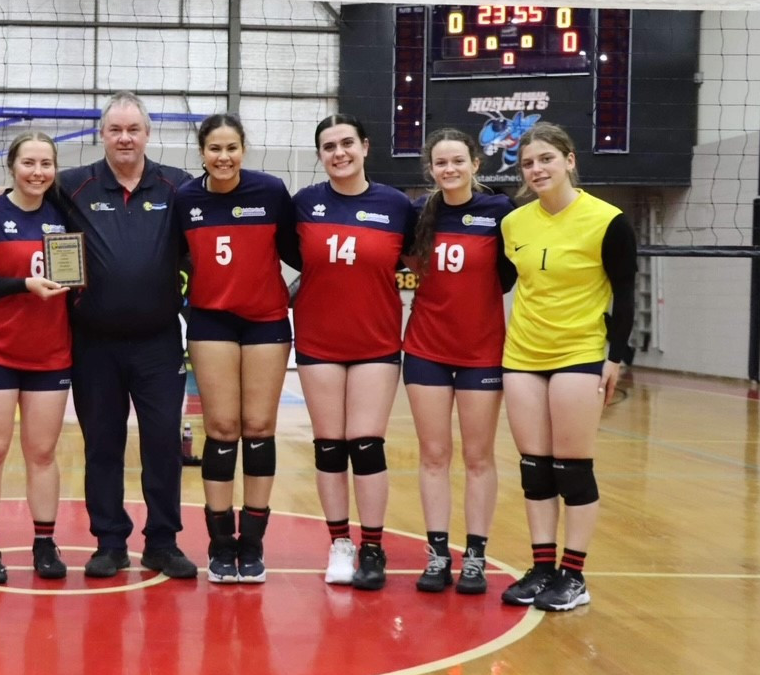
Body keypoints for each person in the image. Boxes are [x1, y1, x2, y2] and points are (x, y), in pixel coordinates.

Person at [56, 91, 198, 580]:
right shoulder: (71, 185)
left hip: (159, 342)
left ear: (147, 133)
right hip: (93, 343)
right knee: (103, 444)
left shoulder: (178, 186)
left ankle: (162, 541)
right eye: (115, 129)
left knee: (162, 443)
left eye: (133, 129)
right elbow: (20, 194)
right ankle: (110, 541)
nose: (124, 138)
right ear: (102, 134)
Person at [498, 122, 636, 612]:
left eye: (546, 160)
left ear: (569, 160)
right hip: (522, 355)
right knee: (535, 469)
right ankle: (541, 568)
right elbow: (499, 281)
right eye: (528, 163)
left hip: (580, 352)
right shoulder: (514, 223)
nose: (536, 169)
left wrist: (615, 356)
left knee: (572, 469)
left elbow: (624, 292)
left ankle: (574, 576)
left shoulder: (607, 220)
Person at [293, 114, 416, 590]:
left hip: (376, 341)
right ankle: (339, 543)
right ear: (320, 155)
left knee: (366, 444)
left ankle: (372, 547)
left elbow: (421, 257)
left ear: (365, 147)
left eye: (347, 143)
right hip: (319, 340)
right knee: (329, 445)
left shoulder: (395, 205)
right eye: (329, 146)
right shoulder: (304, 205)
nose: (339, 152)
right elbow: (290, 254)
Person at [174, 114, 297, 583]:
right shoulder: (186, 198)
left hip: (265, 320)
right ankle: (221, 544)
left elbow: (297, 252)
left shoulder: (269, 192)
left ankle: (253, 542)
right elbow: (171, 254)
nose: (223, 158)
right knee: (223, 427)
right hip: (211, 321)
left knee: (259, 426)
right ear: (202, 152)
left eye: (231, 148)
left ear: (244, 149)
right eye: (214, 149)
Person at [403, 129, 516, 595]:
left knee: (477, 457)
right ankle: (436, 555)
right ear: (430, 170)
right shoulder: (418, 215)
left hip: (481, 351)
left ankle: (475, 557)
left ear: (475, 163)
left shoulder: (500, 213)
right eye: (440, 163)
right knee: (433, 455)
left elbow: (509, 277)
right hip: (426, 348)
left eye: (457, 161)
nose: (448, 170)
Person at [0, 132, 72, 584]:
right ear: (11, 165)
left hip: (51, 352)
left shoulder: (64, 215)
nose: (38, 172)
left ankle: (44, 543)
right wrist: (21, 284)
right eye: (28, 162)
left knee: (42, 452)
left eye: (46, 164)